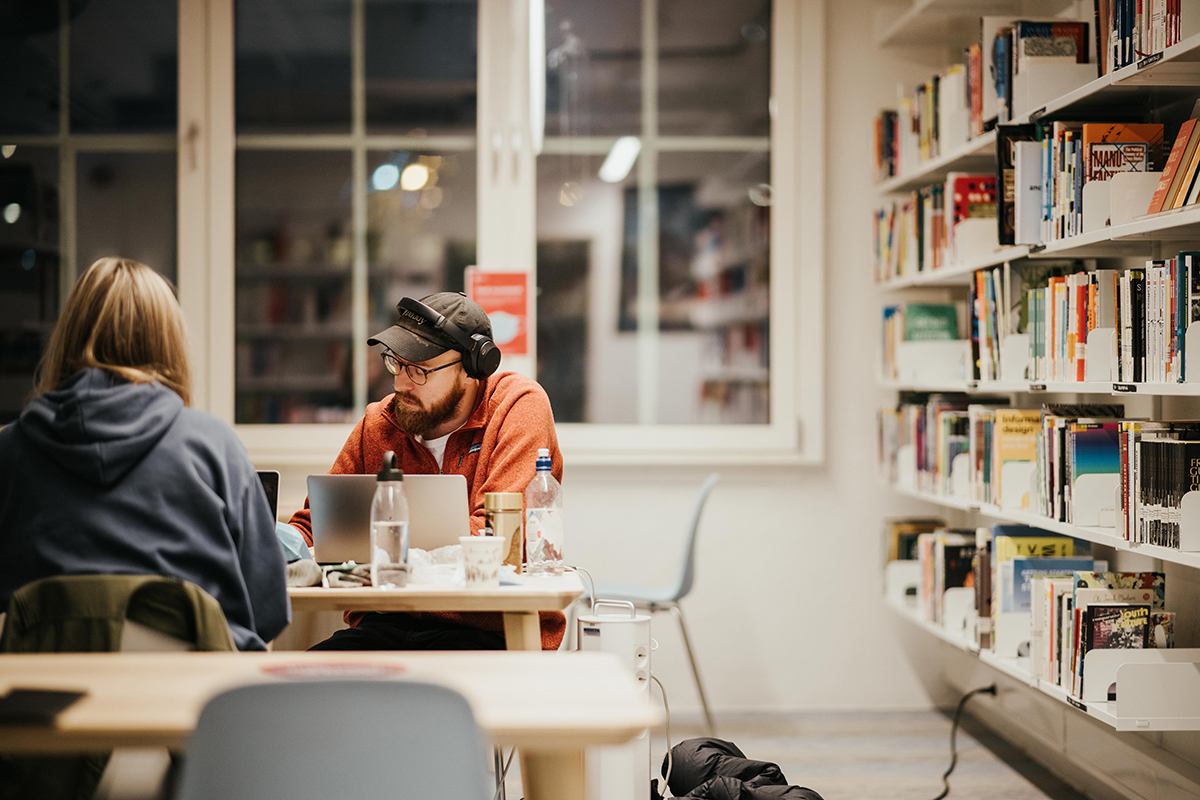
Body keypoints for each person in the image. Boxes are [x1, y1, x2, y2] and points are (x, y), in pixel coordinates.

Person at [0, 257, 290, 651]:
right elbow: (268, 611)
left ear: (67, 341)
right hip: (193, 703)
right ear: (169, 347)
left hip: (42, 704)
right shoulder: (214, 448)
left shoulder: (10, 452)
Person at [283, 291, 565, 651]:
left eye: (419, 370)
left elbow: (498, 539)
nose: (400, 384)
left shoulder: (517, 407)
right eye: (395, 364)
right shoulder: (379, 423)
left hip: (490, 629)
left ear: (472, 367)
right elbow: (314, 528)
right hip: (386, 625)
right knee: (290, 689)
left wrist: (383, 550)